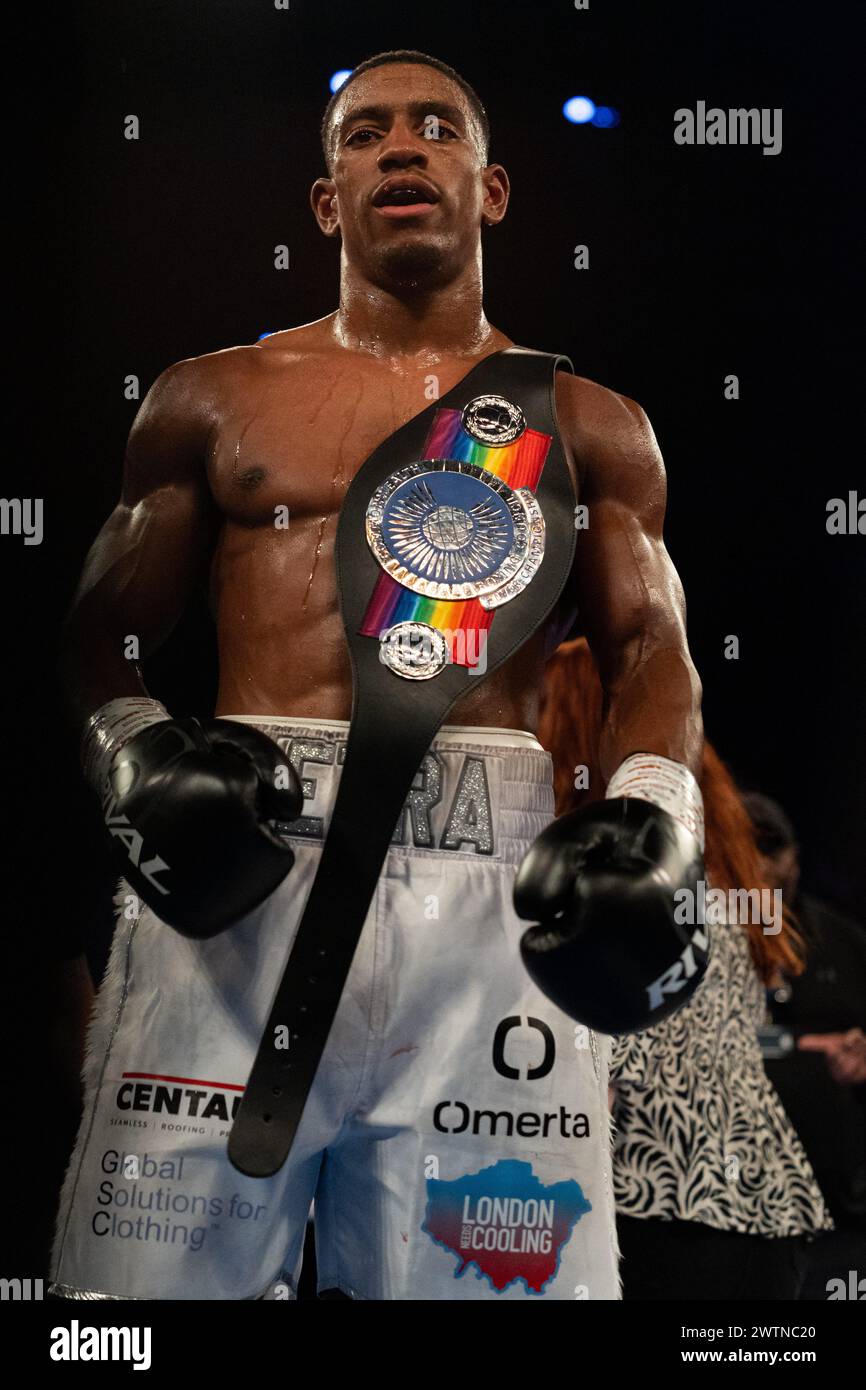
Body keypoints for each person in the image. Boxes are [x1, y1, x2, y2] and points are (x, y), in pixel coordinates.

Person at [50, 49, 706, 1302]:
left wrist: (654, 815)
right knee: (130, 1316)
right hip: (242, 882)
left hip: (485, 904)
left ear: (491, 186)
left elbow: (647, 648)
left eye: (433, 127)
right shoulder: (213, 398)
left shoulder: (587, 422)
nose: (400, 148)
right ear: (324, 197)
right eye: (364, 134)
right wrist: (132, 745)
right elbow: (89, 639)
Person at [540, 639, 834, 1299]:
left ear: (568, 731)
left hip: (656, 1210)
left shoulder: (610, 890)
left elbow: (610, 1075)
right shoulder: (719, 888)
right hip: (766, 1205)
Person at [743, 792, 866, 1300]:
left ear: (795, 856)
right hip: (729, 1208)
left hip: (839, 1212)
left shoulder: (845, 942)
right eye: (750, 849)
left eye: (775, 850)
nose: (766, 867)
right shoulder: (687, 942)